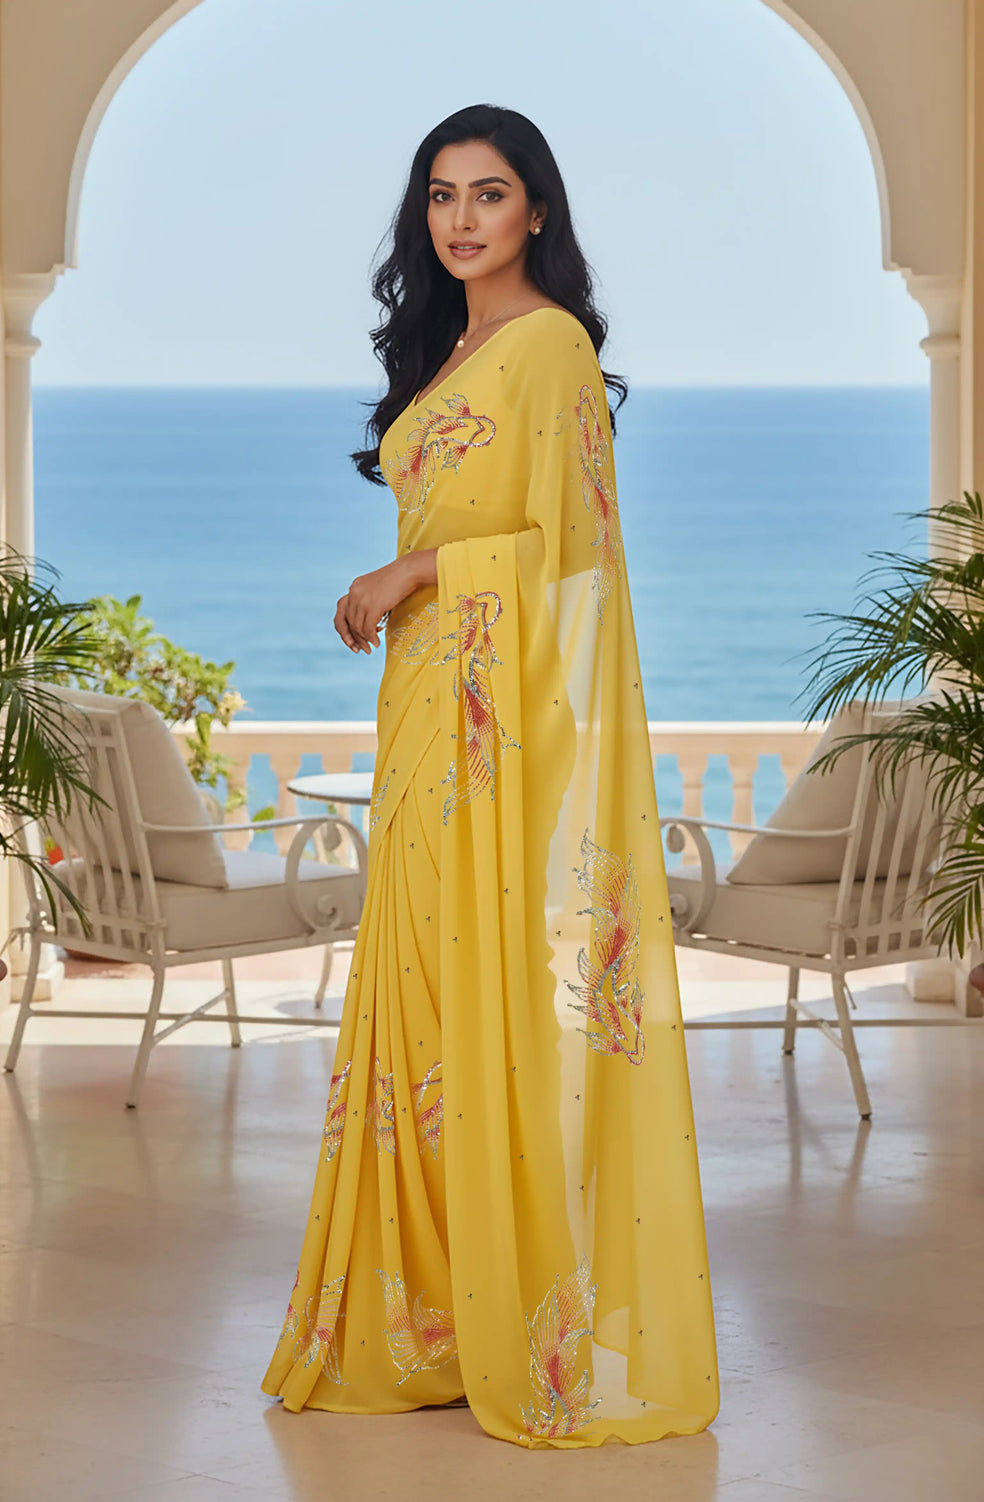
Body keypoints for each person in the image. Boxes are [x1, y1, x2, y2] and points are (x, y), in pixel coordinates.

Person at [261, 103, 719, 1449]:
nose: (462, 218)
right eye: (442, 196)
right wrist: (407, 590)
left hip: (496, 737)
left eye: (491, 193)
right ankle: (424, 1315)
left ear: (537, 213)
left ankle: (513, 1309)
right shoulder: (453, 346)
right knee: (409, 996)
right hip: (420, 716)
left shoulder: (552, 349)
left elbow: (574, 565)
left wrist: (414, 571)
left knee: (488, 1004)